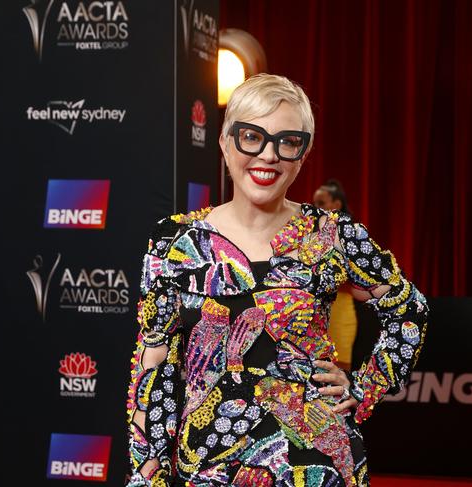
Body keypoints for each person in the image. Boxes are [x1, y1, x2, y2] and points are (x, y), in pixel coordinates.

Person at [126, 74, 429, 486]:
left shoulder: (333, 235)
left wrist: (364, 387)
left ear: (303, 154)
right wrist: (148, 474)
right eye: (251, 136)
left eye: (287, 142)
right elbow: (153, 366)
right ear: (224, 141)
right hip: (207, 463)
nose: (268, 156)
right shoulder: (174, 243)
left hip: (312, 461)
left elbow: (410, 310)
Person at [312, 179, 357, 370]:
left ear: (336, 205)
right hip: (311, 313)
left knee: (339, 375)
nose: (316, 208)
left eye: (321, 203)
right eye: (314, 203)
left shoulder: (351, 234)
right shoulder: (308, 233)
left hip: (340, 311)